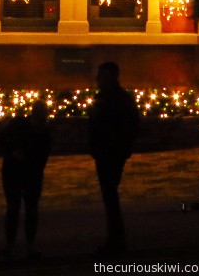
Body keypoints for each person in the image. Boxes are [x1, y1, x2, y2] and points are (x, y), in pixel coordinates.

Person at [88, 61, 140, 255]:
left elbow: (131, 126)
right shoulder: (107, 98)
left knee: (110, 195)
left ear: (111, 77)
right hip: (104, 153)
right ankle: (115, 238)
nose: (97, 80)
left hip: (112, 153)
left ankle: (116, 240)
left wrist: (120, 148)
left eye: (101, 76)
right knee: (109, 196)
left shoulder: (119, 100)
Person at [0, 99, 51, 261]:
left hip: (28, 173)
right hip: (16, 172)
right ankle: (17, 246)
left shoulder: (41, 131)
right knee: (17, 208)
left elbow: (43, 157)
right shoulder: (21, 126)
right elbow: (1, 140)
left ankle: (23, 246)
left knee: (27, 209)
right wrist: (14, 152)